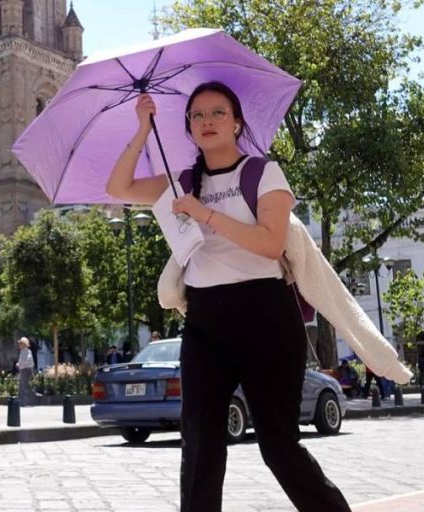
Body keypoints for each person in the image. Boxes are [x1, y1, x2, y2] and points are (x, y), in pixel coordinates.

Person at [105, 83, 351, 511]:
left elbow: (270, 244)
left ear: (236, 122)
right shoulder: (183, 181)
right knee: (200, 445)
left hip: (266, 315)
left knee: (278, 447)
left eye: (217, 113)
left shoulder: (262, 172)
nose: (207, 122)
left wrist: (205, 214)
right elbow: (118, 188)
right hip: (206, 320)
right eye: (197, 116)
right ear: (188, 128)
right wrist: (143, 129)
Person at [15, 337, 36, 406]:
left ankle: (28, 402)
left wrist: (20, 364)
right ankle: (22, 402)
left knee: (25, 386)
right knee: (21, 386)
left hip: (26, 370)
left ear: (24, 344)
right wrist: (19, 364)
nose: (19, 345)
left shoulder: (27, 351)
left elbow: (28, 360)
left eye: (20, 343)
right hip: (23, 369)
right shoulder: (22, 351)